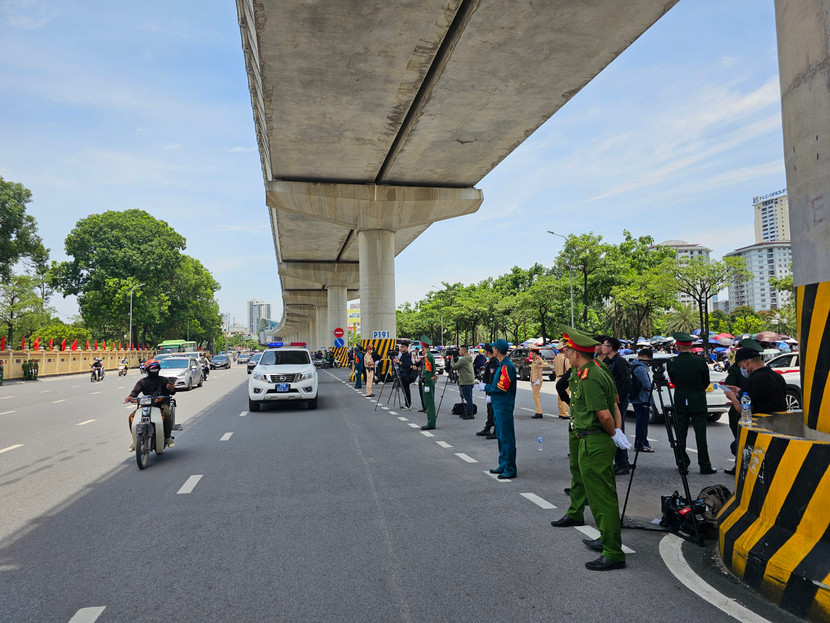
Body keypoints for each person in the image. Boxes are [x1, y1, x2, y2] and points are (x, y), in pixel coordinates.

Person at [550, 327, 630, 571]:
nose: (565, 354)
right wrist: (615, 435)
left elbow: (606, 413)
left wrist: (615, 433)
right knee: (602, 495)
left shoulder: (591, 375)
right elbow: (613, 405)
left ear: (576, 353)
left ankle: (613, 551)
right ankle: (608, 540)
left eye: (567, 350)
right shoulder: (590, 370)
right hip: (591, 437)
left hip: (595, 440)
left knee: (601, 498)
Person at [666, 332, 716, 475]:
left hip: (681, 400)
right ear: (690, 346)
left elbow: (674, 380)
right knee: (701, 434)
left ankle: (682, 463)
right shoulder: (700, 362)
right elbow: (705, 381)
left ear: (678, 347)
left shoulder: (672, 362)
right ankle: (705, 465)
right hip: (698, 400)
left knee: (681, 434)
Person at [482, 339, 517, 479]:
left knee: (507, 438)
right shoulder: (501, 365)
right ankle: (503, 464)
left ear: (497, 350)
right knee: (501, 437)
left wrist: (485, 388)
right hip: (498, 404)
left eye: (494, 348)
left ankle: (510, 468)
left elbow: (501, 388)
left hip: (504, 405)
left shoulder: (507, 366)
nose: (493, 350)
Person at [124, 359, 177, 451]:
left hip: (161, 403)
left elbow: (171, 392)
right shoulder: (142, 382)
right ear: (147, 370)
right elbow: (135, 392)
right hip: (147, 404)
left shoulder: (164, 380)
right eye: (152, 368)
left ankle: (168, 437)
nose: (154, 370)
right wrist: (131, 397)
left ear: (159, 369)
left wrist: (171, 388)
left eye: (156, 368)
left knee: (167, 414)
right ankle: (135, 440)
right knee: (131, 417)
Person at [723, 346, 787, 418]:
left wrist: (732, 397)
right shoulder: (777, 376)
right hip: (780, 423)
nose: (741, 369)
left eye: (740, 366)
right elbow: (762, 396)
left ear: (746, 363)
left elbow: (745, 410)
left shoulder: (752, 380)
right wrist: (741, 392)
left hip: (761, 425)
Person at [599, 336, 631, 475]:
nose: (602, 347)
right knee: (614, 429)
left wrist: (619, 400)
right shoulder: (607, 361)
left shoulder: (620, 362)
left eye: (604, 345)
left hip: (619, 402)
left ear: (610, 348)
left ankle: (622, 463)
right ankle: (620, 461)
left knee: (618, 429)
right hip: (612, 401)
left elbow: (625, 384)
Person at [630, 348, 653, 452]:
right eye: (648, 359)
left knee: (641, 421)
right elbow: (647, 384)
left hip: (636, 397)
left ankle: (643, 442)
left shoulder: (632, 364)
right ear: (644, 356)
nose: (648, 362)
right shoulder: (640, 368)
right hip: (642, 398)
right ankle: (640, 443)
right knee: (642, 422)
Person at [476, 344, 499, 439]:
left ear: (487, 351)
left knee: (493, 410)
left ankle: (495, 430)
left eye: (484, 350)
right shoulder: (490, 361)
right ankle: (488, 427)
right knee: (489, 410)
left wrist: (488, 390)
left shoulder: (493, 362)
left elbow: (491, 378)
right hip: (488, 388)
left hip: (491, 390)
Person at [450, 345, 475, 419]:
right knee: (468, 397)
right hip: (470, 380)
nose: (459, 352)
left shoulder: (464, 359)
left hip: (466, 381)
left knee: (468, 398)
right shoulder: (468, 358)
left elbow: (454, 366)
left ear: (464, 351)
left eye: (460, 350)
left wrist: (452, 359)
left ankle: (470, 413)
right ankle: (467, 412)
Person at [418, 336, 437, 430]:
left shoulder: (428, 357)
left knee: (429, 404)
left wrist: (427, 382)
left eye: (421, 347)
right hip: (428, 382)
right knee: (429, 403)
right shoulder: (428, 356)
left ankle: (431, 423)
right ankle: (431, 422)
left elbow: (428, 372)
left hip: (428, 382)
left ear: (423, 347)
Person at [553, 340, 572, 419]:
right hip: (564, 377)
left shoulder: (556, 358)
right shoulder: (565, 358)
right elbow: (569, 369)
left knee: (560, 396)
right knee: (565, 395)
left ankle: (561, 412)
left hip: (558, 376)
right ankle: (565, 413)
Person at [394, 341, 414, 410]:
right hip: (402, 374)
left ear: (407, 347)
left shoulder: (407, 355)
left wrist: (399, 362)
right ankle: (407, 403)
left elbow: (407, 365)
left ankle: (408, 404)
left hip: (405, 375)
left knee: (406, 390)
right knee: (404, 390)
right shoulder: (403, 355)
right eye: (401, 347)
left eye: (403, 347)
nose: (401, 348)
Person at [529, 348, 544, 418]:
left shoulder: (539, 360)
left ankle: (539, 412)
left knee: (535, 395)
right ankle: (538, 411)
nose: (530, 354)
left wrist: (538, 379)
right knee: (536, 395)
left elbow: (540, 370)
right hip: (533, 380)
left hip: (537, 380)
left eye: (531, 353)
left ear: (535, 353)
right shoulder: (534, 361)